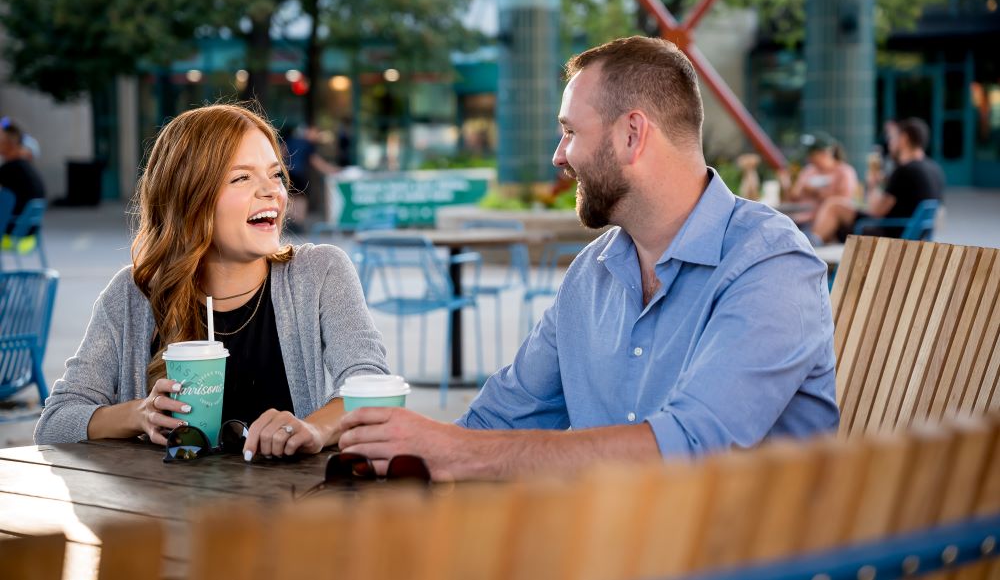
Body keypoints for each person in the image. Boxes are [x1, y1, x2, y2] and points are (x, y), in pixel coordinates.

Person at [335, 36, 839, 480]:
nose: (558, 155)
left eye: (570, 132)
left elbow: (694, 451)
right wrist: (382, 445)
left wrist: (460, 452)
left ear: (631, 135)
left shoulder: (771, 264)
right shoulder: (593, 272)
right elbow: (501, 419)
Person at [34, 104, 388, 460]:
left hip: (285, 509)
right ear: (191, 198)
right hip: (163, 511)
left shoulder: (320, 272)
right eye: (242, 178)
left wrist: (314, 428)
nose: (272, 192)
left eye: (276, 174)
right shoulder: (132, 295)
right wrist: (138, 415)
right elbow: (55, 422)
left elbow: (370, 386)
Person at [811, 117, 944, 243]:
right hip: (915, 235)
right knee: (837, 220)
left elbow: (876, 211)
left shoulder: (905, 170)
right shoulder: (934, 169)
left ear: (904, 139)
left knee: (834, 206)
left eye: (892, 138)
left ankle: (810, 249)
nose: (890, 144)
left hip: (893, 235)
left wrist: (873, 185)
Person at [283, 124, 339, 231]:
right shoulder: (308, 144)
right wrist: (331, 170)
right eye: (315, 132)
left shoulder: (291, 139)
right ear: (309, 131)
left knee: (291, 197)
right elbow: (316, 162)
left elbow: (282, 152)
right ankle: (298, 223)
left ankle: (289, 221)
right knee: (302, 198)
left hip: (288, 172)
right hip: (299, 174)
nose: (316, 136)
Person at [0, 117, 46, 233]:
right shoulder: (24, 169)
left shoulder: (11, 169)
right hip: (27, 230)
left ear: (10, 143)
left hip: (16, 230)